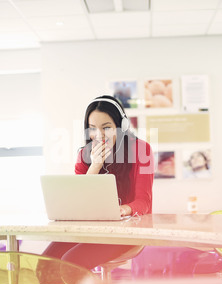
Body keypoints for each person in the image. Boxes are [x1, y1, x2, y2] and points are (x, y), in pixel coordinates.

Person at [42, 95, 154, 270]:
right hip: (90, 230)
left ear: (121, 127)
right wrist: (95, 165)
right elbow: (79, 202)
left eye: (107, 128)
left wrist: (122, 209)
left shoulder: (142, 150)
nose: (99, 136)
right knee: (45, 266)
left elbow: (144, 202)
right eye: (93, 128)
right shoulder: (84, 155)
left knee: (71, 262)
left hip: (128, 233)